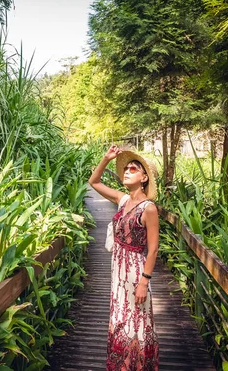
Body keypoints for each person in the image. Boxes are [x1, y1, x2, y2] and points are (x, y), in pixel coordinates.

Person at [88, 144, 160, 371]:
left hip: (134, 272)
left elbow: (154, 248)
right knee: (121, 321)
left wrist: (144, 282)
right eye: (125, 169)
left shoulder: (148, 208)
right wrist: (107, 158)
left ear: (144, 177)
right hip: (117, 272)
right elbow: (94, 182)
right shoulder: (122, 200)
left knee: (136, 323)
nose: (127, 171)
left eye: (133, 169)